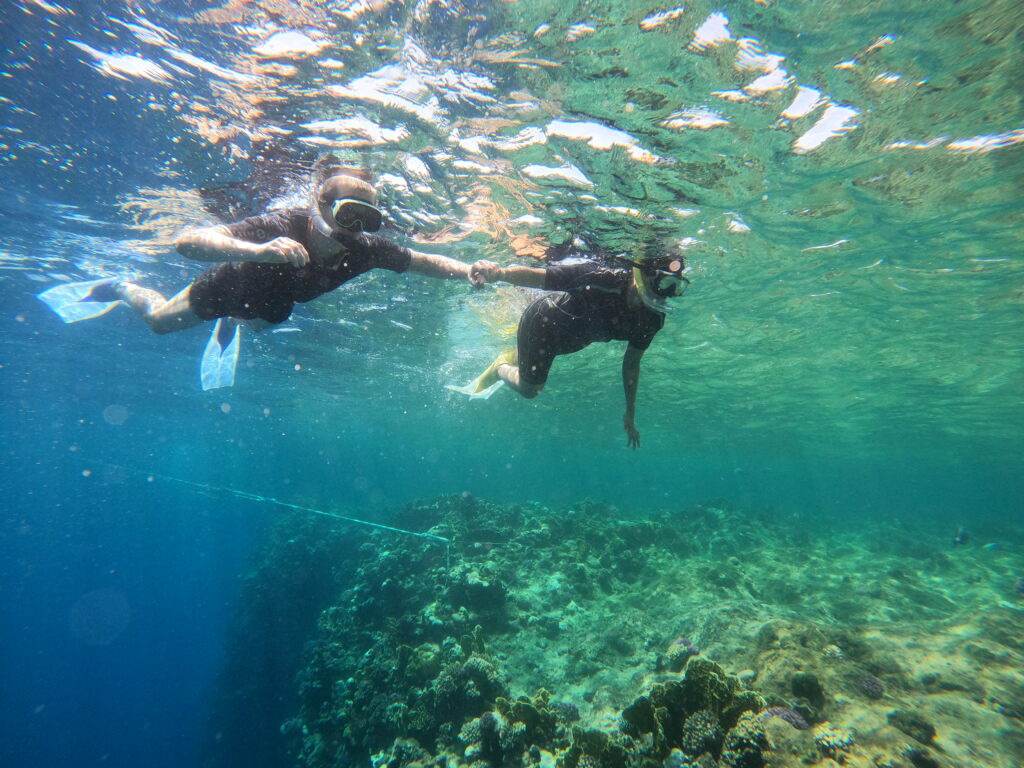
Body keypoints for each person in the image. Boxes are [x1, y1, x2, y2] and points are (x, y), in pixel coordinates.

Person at [39, 161, 485, 387]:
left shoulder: (365, 250)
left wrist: (470, 270)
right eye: (348, 215)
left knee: (263, 323)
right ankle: (119, 286)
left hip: (278, 307)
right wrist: (257, 250)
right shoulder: (281, 226)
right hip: (230, 285)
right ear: (319, 207)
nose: (354, 232)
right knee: (158, 323)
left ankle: (236, 324)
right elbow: (188, 241)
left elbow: (421, 261)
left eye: (367, 221)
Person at [456, 245, 689, 449]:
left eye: (670, 288)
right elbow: (539, 277)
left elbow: (631, 363)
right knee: (530, 390)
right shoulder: (600, 277)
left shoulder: (652, 319)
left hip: (572, 341)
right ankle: (501, 366)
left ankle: (519, 355)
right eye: (657, 285)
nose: (659, 297)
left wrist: (630, 411)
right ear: (640, 276)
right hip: (542, 324)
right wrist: (499, 273)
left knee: (532, 365)